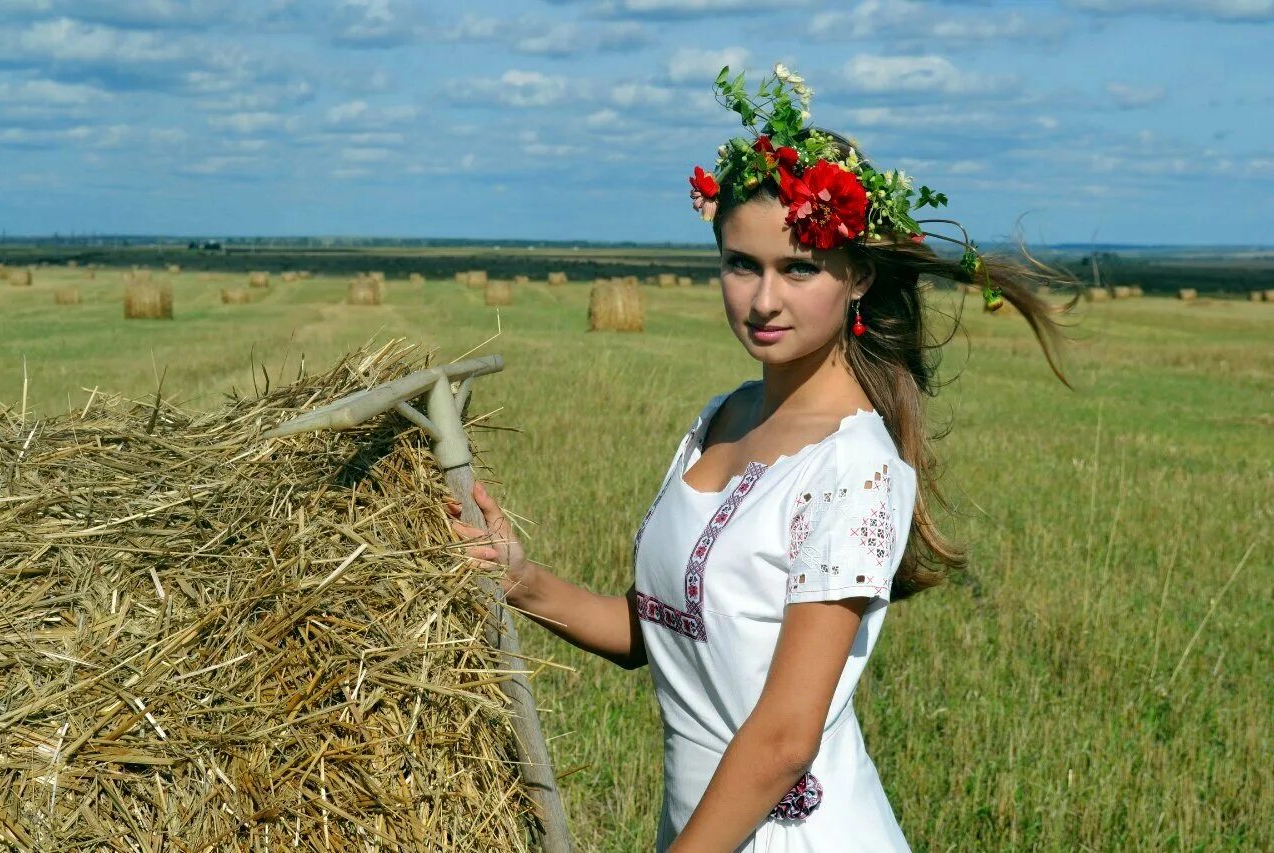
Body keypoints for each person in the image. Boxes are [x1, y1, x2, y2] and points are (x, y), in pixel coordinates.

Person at [445, 63, 1074, 852]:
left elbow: (783, 738)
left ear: (859, 278)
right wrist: (523, 581)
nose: (763, 298)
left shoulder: (854, 467)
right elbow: (665, 635)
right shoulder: (725, 416)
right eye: (742, 264)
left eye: (798, 268)